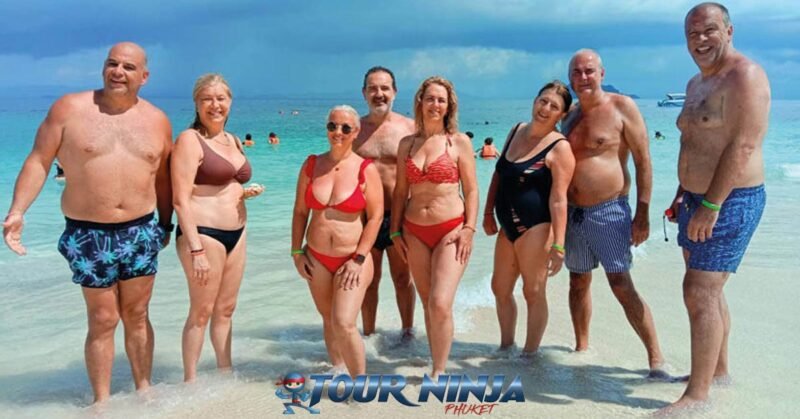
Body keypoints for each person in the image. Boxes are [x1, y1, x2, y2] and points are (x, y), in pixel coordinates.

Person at [2, 42, 173, 403]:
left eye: (128, 67)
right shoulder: (69, 109)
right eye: (112, 64)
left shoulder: (157, 120)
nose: (118, 72)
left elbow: (163, 178)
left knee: (138, 314)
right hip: (87, 233)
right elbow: (38, 161)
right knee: (103, 319)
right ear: (102, 68)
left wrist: (167, 224)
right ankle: (102, 402)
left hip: (140, 229)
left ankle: (144, 389)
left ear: (144, 77)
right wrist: (18, 211)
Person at [659, 3, 770, 414]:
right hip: (694, 199)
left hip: (728, 201)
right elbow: (696, 144)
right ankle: (716, 372)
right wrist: (682, 193)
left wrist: (710, 203)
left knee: (698, 290)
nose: (700, 40)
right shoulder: (695, 83)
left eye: (708, 30)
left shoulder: (746, 76)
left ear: (728, 29)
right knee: (709, 289)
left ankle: (696, 398)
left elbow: (743, 144)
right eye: (692, 34)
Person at [561, 49, 667, 376]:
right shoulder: (569, 116)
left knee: (621, 283)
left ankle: (656, 360)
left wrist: (643, 213)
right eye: (576, 72)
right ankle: (581, 347)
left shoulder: (622, 107)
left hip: (609, 211)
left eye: (589, 71)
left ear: (602, 74)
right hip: (573, 213)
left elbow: (643, 160)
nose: (583, 77)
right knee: (578, 281)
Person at [172, 74, 264, 382]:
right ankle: (190, 381)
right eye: (207, 99)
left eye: (221, 98)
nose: (215, 105)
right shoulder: (189, 140)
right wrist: (196, 249)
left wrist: (243, 192)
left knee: (226, 309)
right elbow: (180, 200)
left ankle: (226, 373)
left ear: (230, 101)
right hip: (203, 234)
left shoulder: (234, 140)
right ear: (196, 104)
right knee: (201, 311)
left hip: (236, 233)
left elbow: (225, 185)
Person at [391, 76, 478, 379]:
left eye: (441, 100)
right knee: (428, 303)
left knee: (440, 303)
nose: (435, 105)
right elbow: (401, 192)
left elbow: (472, 190)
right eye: (430, 98)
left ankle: (439, 371)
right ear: (420, 101)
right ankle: (434, 357)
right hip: (414, 230)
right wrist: (395, 231)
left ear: (448, 106)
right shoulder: (407, 144)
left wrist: (469, 228)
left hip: (450, 231)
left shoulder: (459, 143)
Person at [483, 81, 575, 356]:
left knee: (532, 292)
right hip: (506, 227)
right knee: (499, 288)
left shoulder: (559, 148)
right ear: (535, 100)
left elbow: (559, 199)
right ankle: (506, 346)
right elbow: (499, 174)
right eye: (542, 100)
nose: (545, 108)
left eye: (554, 106)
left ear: (562, 114)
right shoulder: (515, 131)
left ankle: (529, 355)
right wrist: (487, 212)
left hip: (536, 227)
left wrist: (559, 245)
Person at [291, 105, 383, 376]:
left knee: (344, 322)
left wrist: (359, 258)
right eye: (332, 126)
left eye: (345, 128)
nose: (337, 132)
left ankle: (361, 383)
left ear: (355, 132)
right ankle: (338, 372)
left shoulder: (365, 169)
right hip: (316, 257)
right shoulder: (311, 165)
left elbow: (375, 218)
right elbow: (299, 212)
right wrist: (296, 252)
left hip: (352, 259)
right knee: (329, 320)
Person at [353, 67, 417, 340]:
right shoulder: (353, 129)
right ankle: (368, 336)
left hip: (399, 216)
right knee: (368, 281)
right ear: (364, 93)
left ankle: (407, 333)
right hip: (363, 219)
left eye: (384, 88)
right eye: (373, 88)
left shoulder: (410, 128)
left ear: (394, 92)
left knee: (403, 279)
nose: (379, 94)